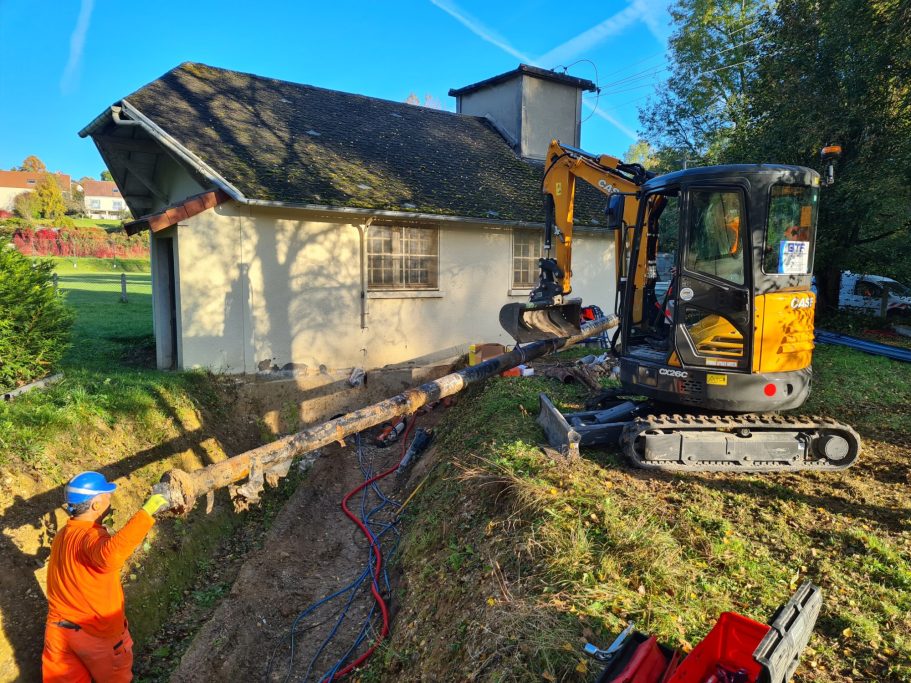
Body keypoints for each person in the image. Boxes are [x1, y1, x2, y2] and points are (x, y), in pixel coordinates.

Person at [42, 471, 169, 682]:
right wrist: (147, 512)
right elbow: (110, 555)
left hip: (59, 634)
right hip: (96, 636)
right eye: (107, 494)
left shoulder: (63, 534)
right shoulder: (90, 537)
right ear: (96, 505)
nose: (110, 498)